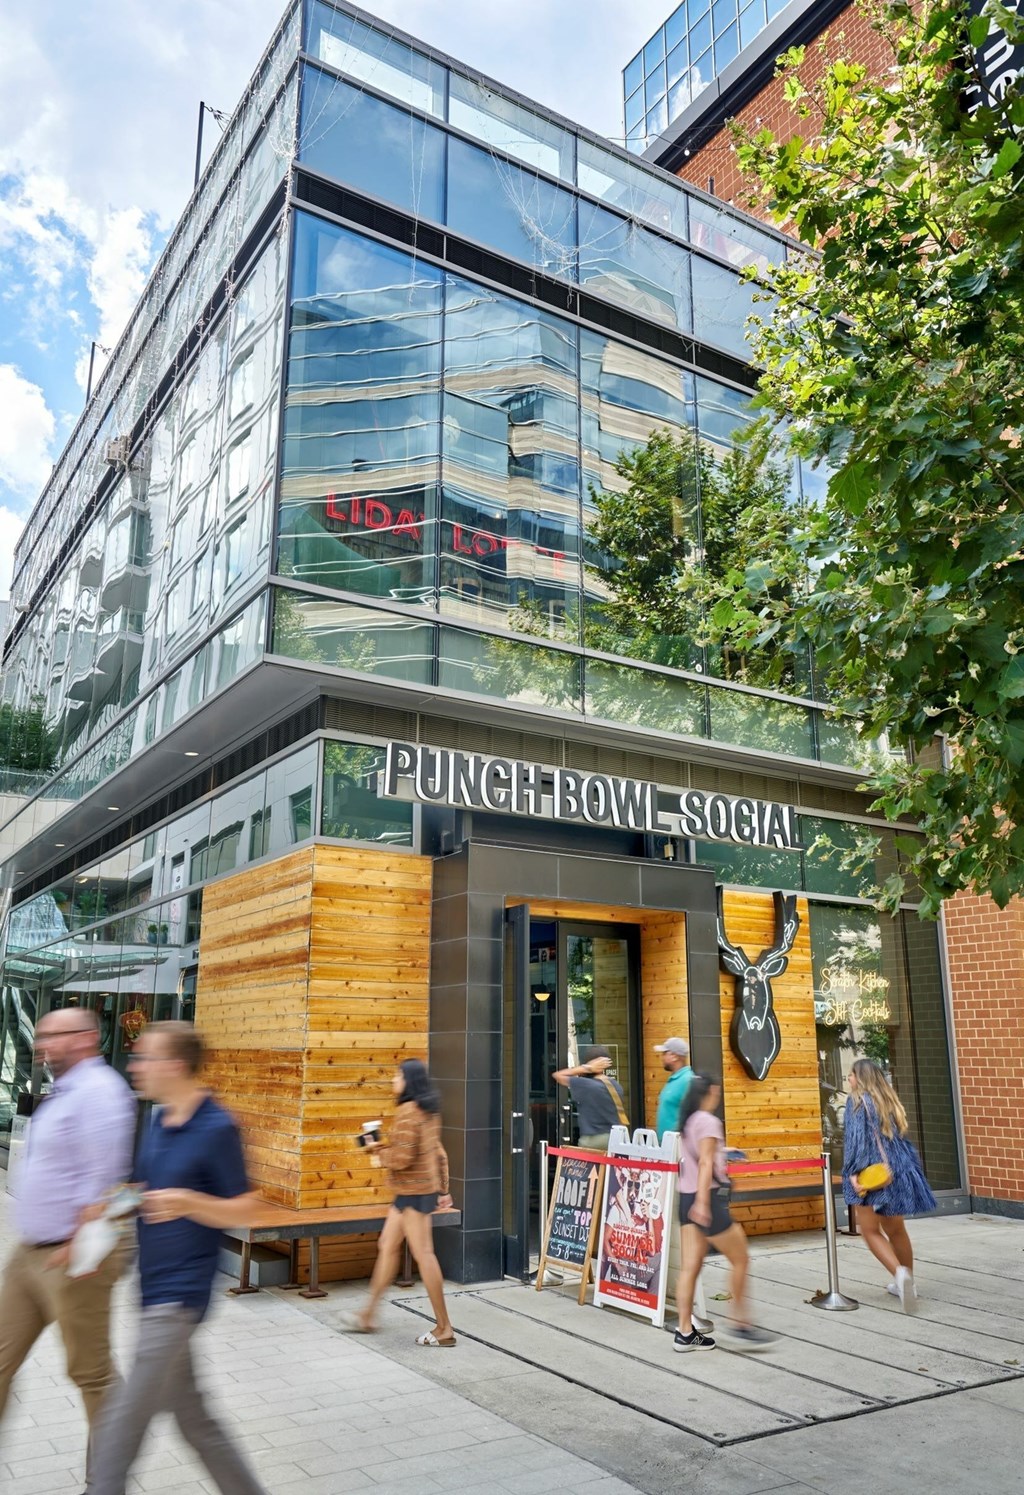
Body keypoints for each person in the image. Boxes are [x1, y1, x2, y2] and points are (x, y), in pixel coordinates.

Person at [84, 1021, 268, 1495]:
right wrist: (111, 1205)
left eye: (145, 1057)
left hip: (180, 1298)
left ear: (175, 1065)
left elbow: (247, 1207)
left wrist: (190, 1202)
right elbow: (145, 1190)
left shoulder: (217, 1126)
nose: (135, 1066)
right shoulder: (159, 1119)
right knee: (197, 1422)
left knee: (125, 1420)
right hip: (148, 1288)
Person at [0, 1007, 135, 1469]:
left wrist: (79, 1248)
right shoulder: (65, 1091)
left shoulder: (100, 1093)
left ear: (84, 1038)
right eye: (40, 1037)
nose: (42, 1046)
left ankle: (106, 1481)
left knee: (91, 1374)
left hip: (73, 1260)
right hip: (29, 1255)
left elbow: (109, 1186)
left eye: (52, 1037)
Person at [347, 1059, 456, 1347]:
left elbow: (402, 1159)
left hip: (413, 1192)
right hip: (416, 1191)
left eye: (397, 1075)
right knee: (387, 1244)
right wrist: (444, 1190)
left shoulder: (408, 1112)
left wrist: (375, 1151)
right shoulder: (430, 1111)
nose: (393, 1080)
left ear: (408, 1080)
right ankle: (368, 1314)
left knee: (424, 1254)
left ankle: (444, 1328)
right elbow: (438, 1153)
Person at [673, 1072, 774, 1353]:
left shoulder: (689, 1122)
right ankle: (740, 1323)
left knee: (690, 1268)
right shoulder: (709, 1121)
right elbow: (706, 1163)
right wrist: (704, 1204)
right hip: (707, 1201)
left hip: (686, 1198)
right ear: (713, 1091)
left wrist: (725, 1151)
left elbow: (703, 1156)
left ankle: (684, 1332)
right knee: (740, 1258)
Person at [842, 1058, 936, 1312]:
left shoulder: (856, 1102)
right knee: (896, 1230)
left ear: (860, 1078)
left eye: (850, 1075)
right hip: (897, 1171)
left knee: (869, 1230)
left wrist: (853, 1173)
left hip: (872, 1174)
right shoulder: (889, 1100)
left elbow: (856, 1143)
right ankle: (908, 1282)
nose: (848, 1080)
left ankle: (899, 1274)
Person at [552, 1045, 627, 1151]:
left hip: (592, 1141)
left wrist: (586, 1067)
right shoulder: (616, 1085)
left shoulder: (585, 1085)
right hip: (614, 1139)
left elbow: (558, 1076)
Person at [654, 1036, 693, 1141]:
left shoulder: (687, 1080)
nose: (662, 1058)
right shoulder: (674, 1079)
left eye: (664, 1053)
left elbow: (693, 1115)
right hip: (666, 1148)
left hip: (678, 1148)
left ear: (674, 1056)